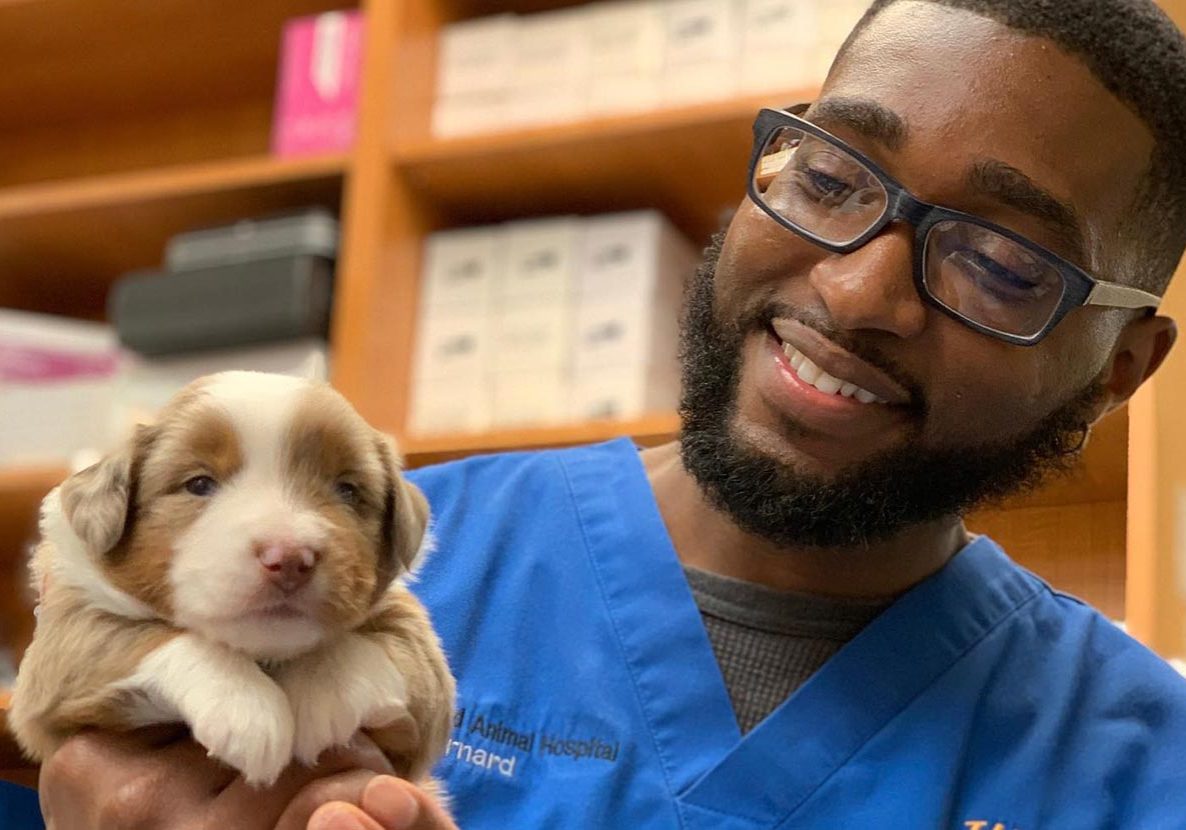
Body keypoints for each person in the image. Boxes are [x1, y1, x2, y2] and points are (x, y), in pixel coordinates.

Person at [12, 0, 1186, 826]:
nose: (853, 289)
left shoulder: (1142, 765)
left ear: (1119, 365)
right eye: (829, 177)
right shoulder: (376, 560)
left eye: (996, 259)